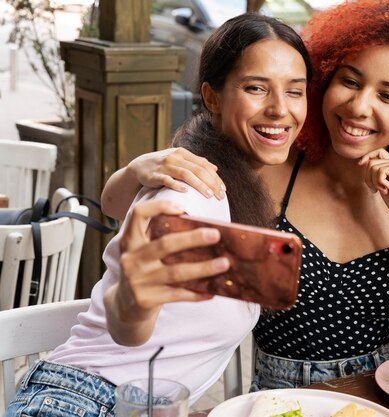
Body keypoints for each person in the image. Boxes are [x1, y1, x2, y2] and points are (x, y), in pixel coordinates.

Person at [101, 0, 389, 390]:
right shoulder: (268, 168)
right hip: (287, 393)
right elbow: (117, 208)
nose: (359, 106)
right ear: (323, 82)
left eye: (388, 96)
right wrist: (136, 168)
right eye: (350, 82)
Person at [3, 13, 311, 416]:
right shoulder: (188, 193)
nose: (279, 109)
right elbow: (126, 324)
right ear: (212, 96)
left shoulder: (228, 181)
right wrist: (131, 304)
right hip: (79, 400)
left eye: (295, 91)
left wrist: (131, 171)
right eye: (256, 88)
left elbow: (114, 206)